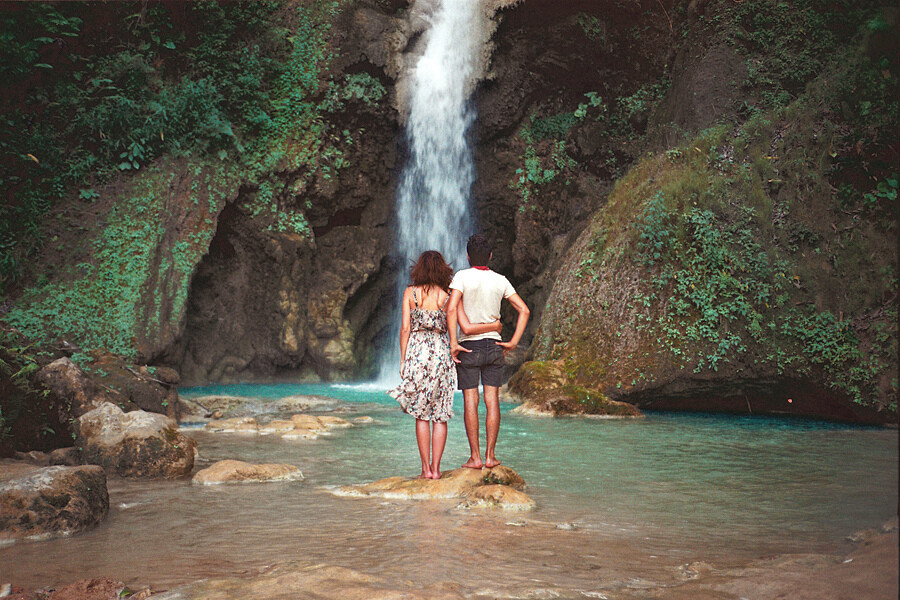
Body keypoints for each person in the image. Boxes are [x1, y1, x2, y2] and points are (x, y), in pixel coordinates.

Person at [388, 250, 501, 479]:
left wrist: (402, 359)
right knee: (440, 414)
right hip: (442, 354)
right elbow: (459, 325)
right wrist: (491, 328)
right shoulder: (448, 296)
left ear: (418, 269)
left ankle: (425, 470)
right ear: (443, 270)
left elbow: (405, 329)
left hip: (418, 353)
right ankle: (437, 470)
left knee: (421, 415)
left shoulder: (411, 293)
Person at [447, 234, 530, 470]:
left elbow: (452, 309)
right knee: (492, 400)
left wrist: (453, 342)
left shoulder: (461, 277)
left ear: (467, 256)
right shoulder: (501, 280)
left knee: (470, 401)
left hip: (469, 346)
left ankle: (475, 458)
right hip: (494, 345)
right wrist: (513, 342)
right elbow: (524, 310)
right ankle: (491, 456)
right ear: (491, 256)